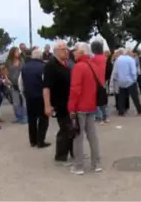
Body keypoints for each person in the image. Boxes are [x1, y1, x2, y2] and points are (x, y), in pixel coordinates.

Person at [68, 42, 102, 175]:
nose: (73, 52)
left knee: (78, 137)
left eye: (75, 50)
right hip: (91, 105)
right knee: (92, 135)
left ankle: (79, 166)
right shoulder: (93, 65)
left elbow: (75, 89)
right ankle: (96, 163)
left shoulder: (78, 67)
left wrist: (71, 107)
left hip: (80, 106)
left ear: (81, 52)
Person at [43, 40, 74, 165]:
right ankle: (61, 156)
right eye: (63, 49)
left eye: (66, 49)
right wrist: (47, 105)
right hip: (60, 103)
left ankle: (73, 152)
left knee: (71, 128)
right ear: (56, 51)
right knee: (65, 129)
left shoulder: (65, 64)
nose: (66, 51)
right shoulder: (51, 65)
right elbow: (46, 87)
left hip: (68, 102)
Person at [19, 49, 50, 148]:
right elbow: (46, 82)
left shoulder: (24, 67)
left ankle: (33, 141)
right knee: (43, 119)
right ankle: (41, 141)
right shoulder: (43, 67)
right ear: (40, 56)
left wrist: (23, 93)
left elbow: (20, 82)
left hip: (29, 96)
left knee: (31, 119)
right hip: (41, 96)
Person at [114, 49, 141, 116]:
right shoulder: (131, 60)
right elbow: (133, 71)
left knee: (121, 97)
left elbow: (115, 72)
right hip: (130, 81)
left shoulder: (118, 59)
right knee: (135, 97)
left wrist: (118, 79)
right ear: (129, 53)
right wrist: (134, 79)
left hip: (121, 81)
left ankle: (121, 111)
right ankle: (140, 110)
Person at [5, 47, 27, 124]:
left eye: (18, 51)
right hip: (12, 84)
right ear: (13, 52)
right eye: (17, 51)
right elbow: (5, 72)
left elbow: (25, 71)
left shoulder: (22, 61)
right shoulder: (8, 62)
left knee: (24, 101)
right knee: (16, 102)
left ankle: (25, 117)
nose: (18, 52)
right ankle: (18, 116)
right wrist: (6, 79)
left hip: (22, 84)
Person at [90, 41, 108, 124]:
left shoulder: (93, 59)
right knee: (103, 100)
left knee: (95, 101)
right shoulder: (104, 57)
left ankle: (99, 117)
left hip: (95, 81)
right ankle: (105, 116)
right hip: (102, 80)